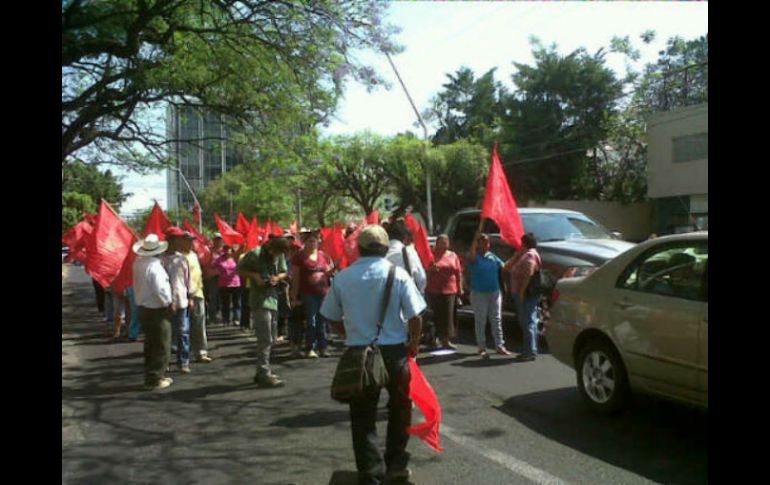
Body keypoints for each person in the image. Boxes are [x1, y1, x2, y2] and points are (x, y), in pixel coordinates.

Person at [320, 225, 426, 485]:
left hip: (360, 354)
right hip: (395, 353)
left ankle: (371, 474)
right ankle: (396, 465)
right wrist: (414, 344)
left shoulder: (344, 277)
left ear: (359, 247)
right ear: (385, 247)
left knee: (363, 416)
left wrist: (351, 333)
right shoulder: (398, 274)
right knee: (401, 410)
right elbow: (416, 316)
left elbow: (331, 317)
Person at [237, 236, 291, 388]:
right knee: (265, 338)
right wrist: (255, 276)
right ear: (269, 246)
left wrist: (276, 278)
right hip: (259, 300)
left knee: (272, 338)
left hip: (273, 299)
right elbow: (239, 269)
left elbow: (284, 272)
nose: (276, 255)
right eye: (275, 251)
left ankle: (261, 371)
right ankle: (264, 373)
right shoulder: (254, 254)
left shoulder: (279, 254)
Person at [132, 234, 175, 390]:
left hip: (143, 308)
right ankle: (155, 377)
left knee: (151, 343)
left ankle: (154, 374)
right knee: (162, 344)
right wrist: (169, 303)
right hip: (156, 309)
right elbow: (160, 289)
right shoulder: (155, 266)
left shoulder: (138, 263)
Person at [467, 231, 512, 358]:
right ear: (478, 244)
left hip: (494, 292)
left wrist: (518, 255)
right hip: (479, 293)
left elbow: (504, 267)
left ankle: (500, 345)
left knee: (496, 319)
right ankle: (481, 347)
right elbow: (471, 257)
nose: (486, 245)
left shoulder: (492, 256)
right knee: (481, 320)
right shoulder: (474, 257)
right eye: (483, 242)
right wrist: (475, 241)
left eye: (487, 242)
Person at [291, 231, 335, 359]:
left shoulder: (323, 256)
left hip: (323, 293)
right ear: (305, 242)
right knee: (312, 321)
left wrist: (332, 270)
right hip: (308, 294)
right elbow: (295, 277)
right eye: (310, 241)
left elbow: (327, 272)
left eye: (315, 241)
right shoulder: (299, 257)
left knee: (322, 321)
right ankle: (310, 347)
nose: (313, 243)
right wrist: (294, 295)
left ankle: (323, 347)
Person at [503, 233, 541, 362]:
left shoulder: (530, 255)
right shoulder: (525, 254)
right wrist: (516, 255)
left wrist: (522, 292)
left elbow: (528, 273)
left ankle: (530, 351)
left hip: (526, 293)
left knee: (527, 321)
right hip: (522, 292)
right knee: (528, 321)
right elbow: (506, 268)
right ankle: (529, 349)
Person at [163, 227, 193, 374]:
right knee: (167, 333)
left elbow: (188, 280)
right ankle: (166, 361)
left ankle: (183, 361)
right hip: (165, 303)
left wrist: (191, 296)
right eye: (179, 238)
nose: (182, 241)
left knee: (183, 332)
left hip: (182, 301)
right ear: (171, 240)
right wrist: (168, 301)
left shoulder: (182, 259)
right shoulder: (160, 259)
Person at [426, 234, 463, 350]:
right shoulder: (431, 255)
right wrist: (430, 269)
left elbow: (458, 273)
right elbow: (423, 270)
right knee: (436, 315)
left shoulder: (453, 255)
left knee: (448, 316)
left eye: (445, 242)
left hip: (450, 290)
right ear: (436, 243)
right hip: (434, 290)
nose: (443, 244)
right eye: (441, 242)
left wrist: (460, 288)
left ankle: (446, 340)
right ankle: (434, 338)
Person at [181, 232, 213, 363]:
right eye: (188, 240)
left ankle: (201, 352)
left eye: (192, 240)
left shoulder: (193, 255)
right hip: (183, 296)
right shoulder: (178, 257)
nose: (191, 243)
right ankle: (182, 355)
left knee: (199, 324)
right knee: (183, 327)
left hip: (198, 294)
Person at [386, 220, 427, 294]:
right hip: (407, 297)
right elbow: (421, 278)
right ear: (405, 237)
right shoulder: (409, 252)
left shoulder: (380, 253)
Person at [214, 245, 242, 326]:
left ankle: (236, 319)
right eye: (225, 249)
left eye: (229, 249)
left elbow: (242, 266)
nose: (227, 251)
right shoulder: (220, 259)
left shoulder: (236, 258)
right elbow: (212, 266)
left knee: (236, 303)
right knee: (225, 303)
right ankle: (226, 320)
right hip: (224, 284)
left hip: (235, 283)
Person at [203, 233, 224, 324]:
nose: (218, 241)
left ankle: (222, 316)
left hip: (223, 278)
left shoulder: (225, 251)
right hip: (211, 277)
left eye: (219, 239)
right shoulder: (208, 251)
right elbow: (205, 263)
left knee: (222, 297)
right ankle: (212, 316)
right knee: (212, 297)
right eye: (216, 239)